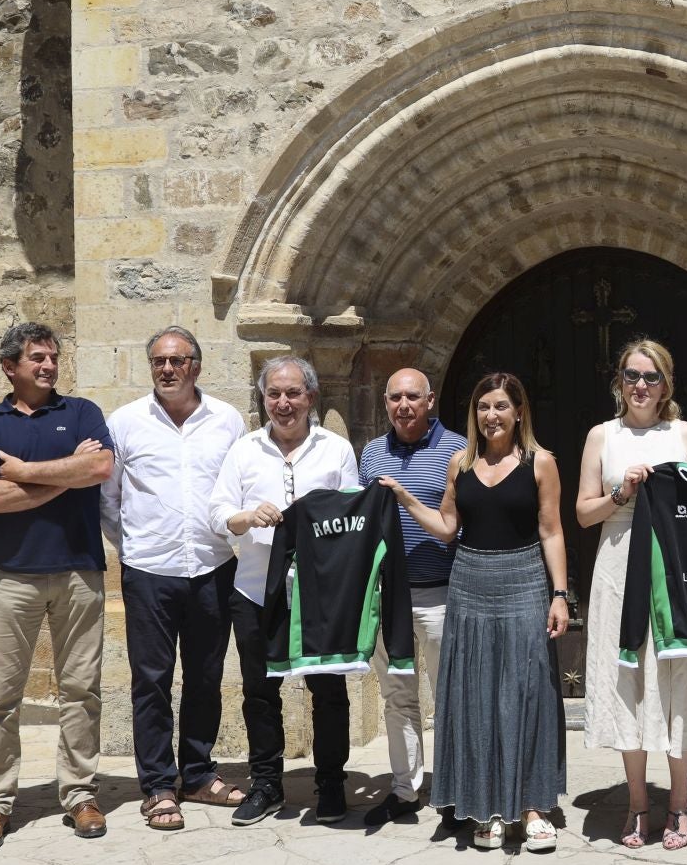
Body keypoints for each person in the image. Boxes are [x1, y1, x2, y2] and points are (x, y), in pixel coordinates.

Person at [382, 371, 570, 852]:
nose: (491, 415)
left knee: (526, 692)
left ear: (519, 411)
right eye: (483, 407)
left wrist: (561, 594)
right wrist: (405, 498)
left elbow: (551, 531)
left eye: (501, 406)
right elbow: (447, 527)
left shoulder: (541, 462)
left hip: (525, 580)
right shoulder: (458, 463)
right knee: (476, 694)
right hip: (469, 583)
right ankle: (485, 806)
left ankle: (531, 807)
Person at [0, 322, 115, 852]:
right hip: (11, 576)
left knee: (81, 690)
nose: (48, 366)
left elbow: (100, 465)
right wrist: (64, 477)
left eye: (53, 357)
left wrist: (25, 471)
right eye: (36, 358)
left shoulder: (82, 413)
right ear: (10, 366)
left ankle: (78, 793)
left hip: (79, 572)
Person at [574, 339, 687, 850]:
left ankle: (679, 805)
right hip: (618, 564)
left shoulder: (683, 433)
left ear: (667, 385)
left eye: (652, 377)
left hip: (676, 567)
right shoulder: (602, 436)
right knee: (629, 680)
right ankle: (639, 805)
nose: (641, 386)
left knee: (675, 677)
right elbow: (582, 513)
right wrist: (624, 493)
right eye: (632, 375)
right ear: (618, 381)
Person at [100, 327, 248, 832]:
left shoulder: (227, 420)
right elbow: (109, 499)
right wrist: (136, 545)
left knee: (206, 678)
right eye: (159, 361)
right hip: (148, 571)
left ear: (196, 367)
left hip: (212, 565)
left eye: (177, 361)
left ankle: (200, 774)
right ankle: (160, 785)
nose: (167, 369)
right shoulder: (125, 423)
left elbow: (238, 486)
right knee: (151, 681)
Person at [208, 356, 358, 827]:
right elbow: (217, 514)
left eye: (293, 393)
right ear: (264, 398)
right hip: (256, 590)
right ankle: (267, 784)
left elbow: (352, 518)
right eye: (274, 394)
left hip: (320, 596)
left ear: (311, 398)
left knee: (329, 690)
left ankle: (331, 784)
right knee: (259, 691)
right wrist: (248, 516)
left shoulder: (335, 450)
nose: (283, 402)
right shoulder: (244, 451)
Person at [355, 367, 466, 825]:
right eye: (395, 398)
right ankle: (404, 790)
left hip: (442, 593)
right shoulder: (371, 454)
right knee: (398, 697)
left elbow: (456, 524)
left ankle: (457, 792)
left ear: (431, 400)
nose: (403, 406)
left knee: (449, 695)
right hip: (390, 600)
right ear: (385, 402)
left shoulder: (457, 450)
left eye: (412, 398)